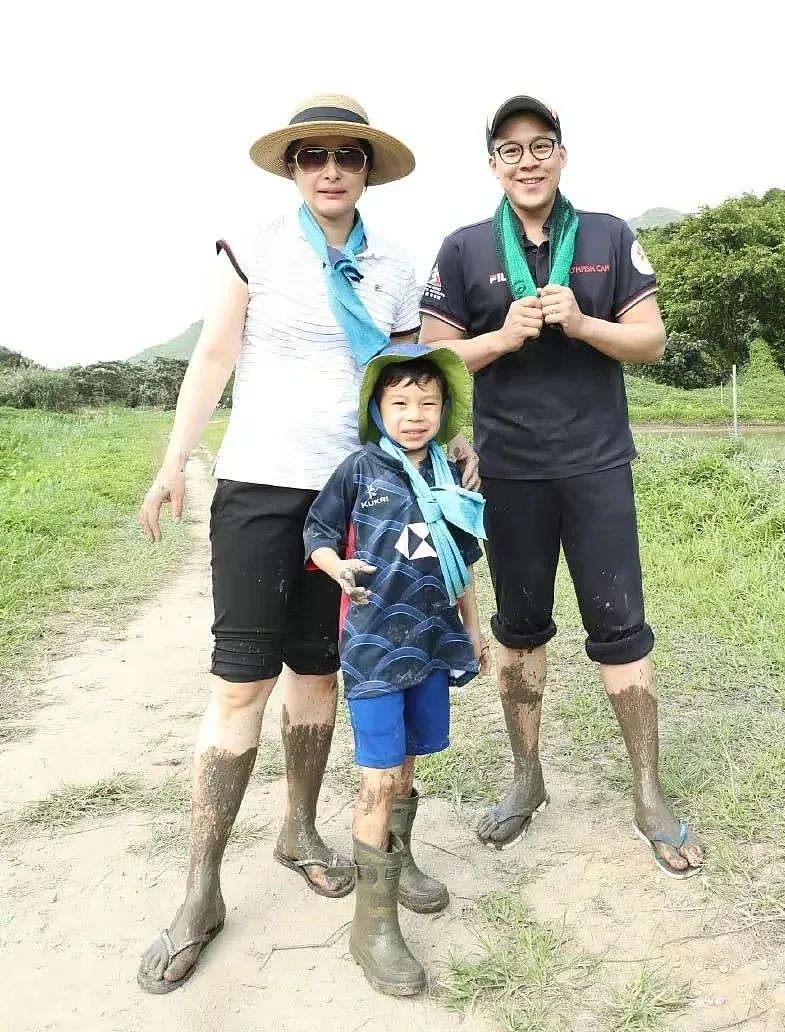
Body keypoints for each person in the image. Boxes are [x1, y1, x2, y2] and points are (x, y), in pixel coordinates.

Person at [135, 93, 479, 994]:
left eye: (348, 155)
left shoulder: (398, 266)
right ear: (292, 168)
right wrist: (178, 460)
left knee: (326, 674)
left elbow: (406, 384)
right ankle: (201, 890)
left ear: (368, 169)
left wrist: (444, 454)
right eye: (312, 154)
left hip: (363, 495)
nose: (331, 167)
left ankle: (300, 830)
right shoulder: (253, 245)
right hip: (258, 485)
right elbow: (214, 355)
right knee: (241, 684)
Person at [419, 95, 705, 878]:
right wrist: (502, 337)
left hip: (597, 465)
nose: (527, 160)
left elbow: (650, 340)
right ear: (493, 167)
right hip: (509, 471)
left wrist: (581, 325)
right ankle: (526, 777)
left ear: (561, 155)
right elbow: (436, 362)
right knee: (518, 631)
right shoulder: (463, 248)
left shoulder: (609, 236)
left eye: (539, 145)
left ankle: (648, 792)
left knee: (622, 628)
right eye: (510, 151)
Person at [304, 343, 490, 995]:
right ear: (378, 409)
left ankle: (400, 860)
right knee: (378, 779)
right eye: (401, 402)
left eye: (428, 403)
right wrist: (336, 568)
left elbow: (460, 558)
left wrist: (471, 625)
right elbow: (317, 532)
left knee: (409, 762)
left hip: (431, 645)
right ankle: (372, 927)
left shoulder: (449, 476)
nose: (415, 414)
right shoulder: (359, 470)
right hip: (376, 651)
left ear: (445, 411)